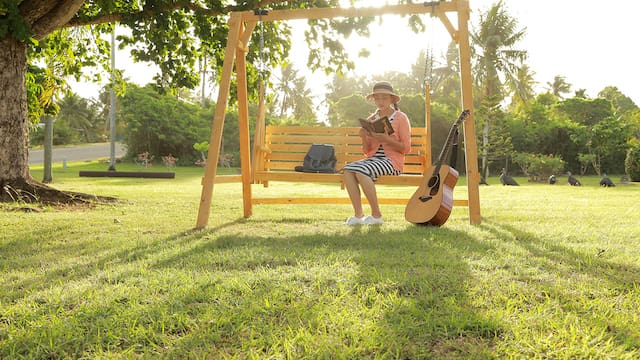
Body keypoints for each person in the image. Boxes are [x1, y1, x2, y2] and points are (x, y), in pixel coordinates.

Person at [342, 81, 412, 225]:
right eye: (377, 98)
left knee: (361, 171)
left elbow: (406, 148)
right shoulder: (371, 119)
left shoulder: (400, 118)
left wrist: (387, 139)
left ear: (392, 99)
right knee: (348, 170)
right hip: (373, 160)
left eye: (384, 98)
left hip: (392, 163)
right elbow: (367, 151)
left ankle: (376, 215)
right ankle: (358, 215)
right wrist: (363, 137)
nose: (380, 102)